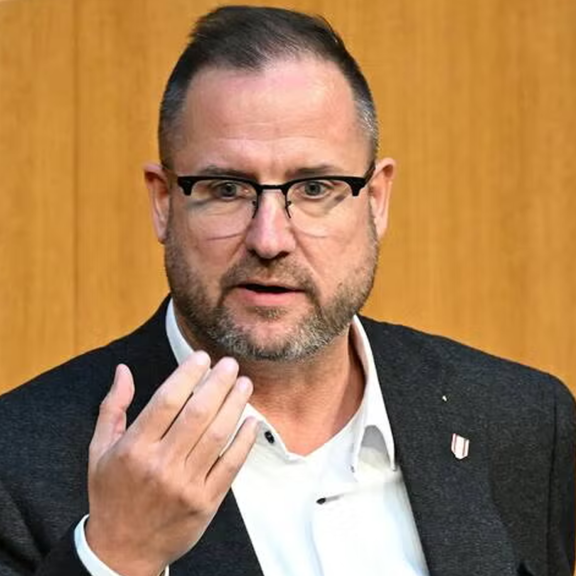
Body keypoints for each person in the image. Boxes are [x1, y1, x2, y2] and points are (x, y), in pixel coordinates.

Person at [0, 5, 573, 576]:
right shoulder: (17, 462)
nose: (269, 240)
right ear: (163, 201)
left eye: (316, 187)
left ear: (376, 201)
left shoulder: (523, 422)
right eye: (226, 189)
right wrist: (117, 559)